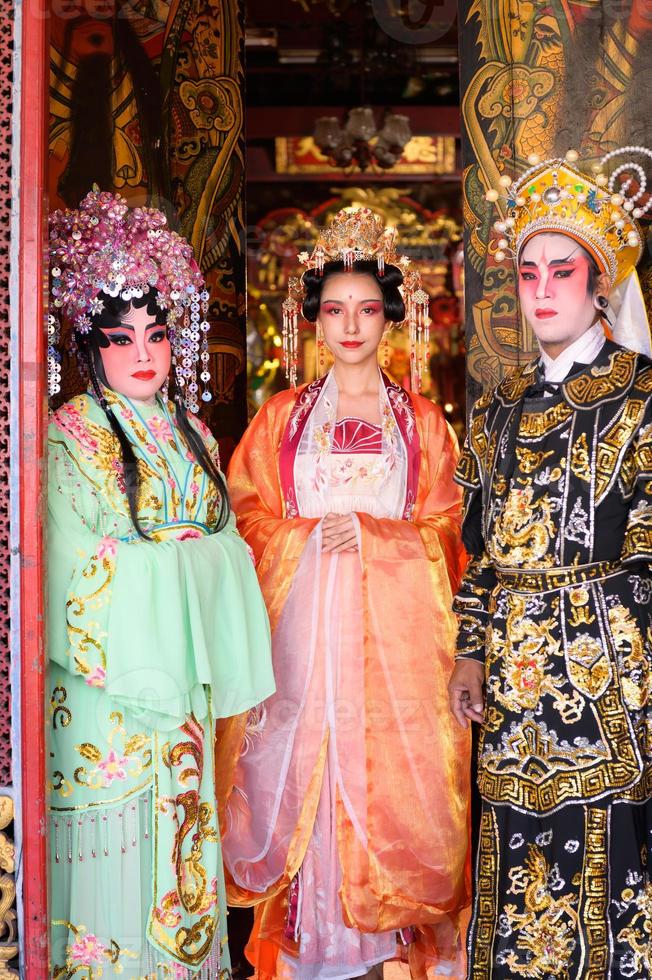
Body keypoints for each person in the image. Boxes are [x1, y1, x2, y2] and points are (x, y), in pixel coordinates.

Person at [220, 208, 470, 980]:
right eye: (335, 309)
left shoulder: (426, 427)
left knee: (384, 786)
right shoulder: (278, 422)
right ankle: (305, 959)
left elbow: (449, 534)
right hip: (300, 646)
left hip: (388, 660)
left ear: (391, 317)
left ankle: (382, 957)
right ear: (313, 322)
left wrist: (371, 534)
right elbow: (244, 519)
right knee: (303, 782)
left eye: (367, 308)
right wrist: (298, 539)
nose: (351, 325)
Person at [47, 189, 275, 978]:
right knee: (120, 870)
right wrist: (190, 564)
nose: (142, 352)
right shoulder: (68, 438)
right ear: (89, 345)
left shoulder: (196, 434)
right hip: (113, 702)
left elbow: (231, 547)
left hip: (186, 699)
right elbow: (74, 569)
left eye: (156, 333)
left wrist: (192, 561)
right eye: (120, 337)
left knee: (187, 847)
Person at [449, 148, 652, 978]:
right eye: (528, 272)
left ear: (597, 282)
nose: (540, 290)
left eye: (560, 272)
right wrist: (470, 649)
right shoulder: (498, 410)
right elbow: (480, 547)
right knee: (515, 854)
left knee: (609, 857)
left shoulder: (641, 395)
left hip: (610, 681)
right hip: (512, 690)